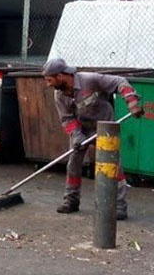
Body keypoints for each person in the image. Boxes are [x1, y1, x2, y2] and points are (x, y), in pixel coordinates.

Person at [43, 58, 144, 219]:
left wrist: (131, 101)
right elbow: (67, 119)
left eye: (49, 80)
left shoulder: (89, 80)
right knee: (73, 164)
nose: (48, 84)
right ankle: (71, 200)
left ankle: (119, 206)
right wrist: (77, 136)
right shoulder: (59, 96)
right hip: (82, 130)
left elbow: (120, 82)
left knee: (113, 166)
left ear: (60, 76)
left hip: (104, 128)